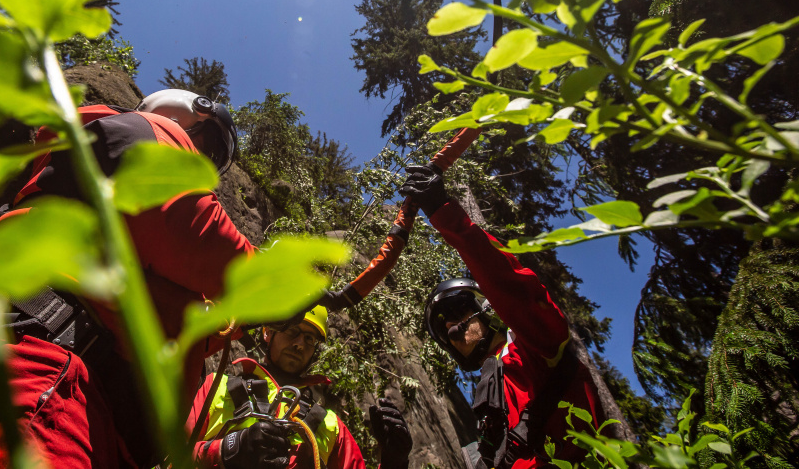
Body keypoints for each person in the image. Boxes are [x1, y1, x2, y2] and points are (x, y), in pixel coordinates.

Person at [0, 89, 256, 469]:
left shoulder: (95, 169)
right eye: (206, 142)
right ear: (181, 110)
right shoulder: (144, 131)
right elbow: (192, 229)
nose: (203, 163)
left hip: (53, 388)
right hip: (42, 381)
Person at [400, 163, 606, 469]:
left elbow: (512, 286)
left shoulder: (537, 347)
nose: (451, 327)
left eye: (458, 311)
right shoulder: (488, 409)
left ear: (488, 309)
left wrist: (442, 210)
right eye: (443, 328)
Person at [186, 306, 413, 469]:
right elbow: (166, 458)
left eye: (309, 339)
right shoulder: (218, 387)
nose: (299, 344)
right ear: (267, 332)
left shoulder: (329, 426)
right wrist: (229, 450)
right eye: (292, 331)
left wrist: (395, 462)